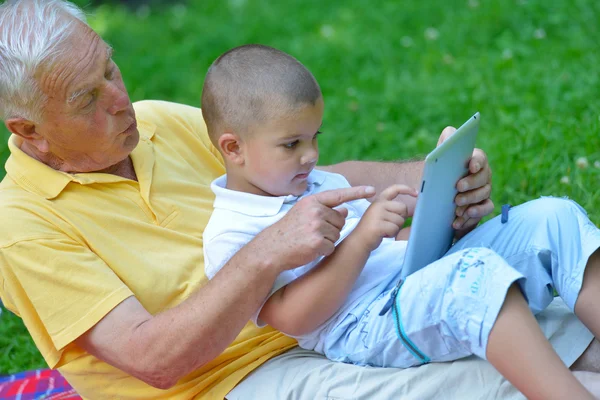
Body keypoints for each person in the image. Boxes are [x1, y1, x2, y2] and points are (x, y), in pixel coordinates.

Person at [0, 1, 598, 399]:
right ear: (28, 130)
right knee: (501, 369)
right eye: (87, 98)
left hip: (345, 307)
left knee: (551, 297)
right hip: (234, 380)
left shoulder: (155, 123)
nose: (120, 100)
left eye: (111, 68)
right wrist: (267, 255)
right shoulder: (20, 225)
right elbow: (151, 358)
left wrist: (426, 179)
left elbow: (294, 174)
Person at [200, 44, 600, 399]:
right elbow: (292, 318)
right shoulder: (232, 231)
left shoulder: (318, 181)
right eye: (292, 144)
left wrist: (448, 213)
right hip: (359, 326)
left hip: (406, 284)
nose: (310, 155)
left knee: (554, 217)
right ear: (234, 149)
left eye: (314, 137)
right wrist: (362, 239)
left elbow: (393, 254)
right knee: (473, 278)